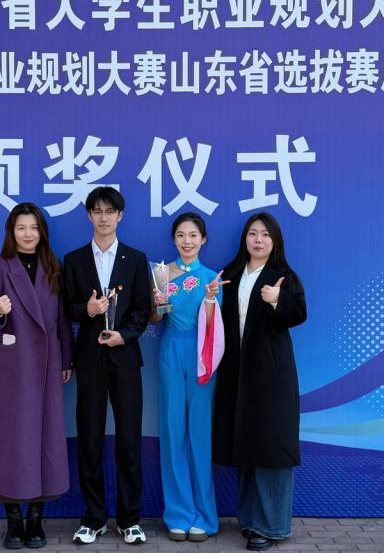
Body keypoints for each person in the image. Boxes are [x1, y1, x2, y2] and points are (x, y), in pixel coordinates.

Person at [0, 203, 74, 550]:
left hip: (46, 364)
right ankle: (13, 519)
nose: (28, 234)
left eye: (34, 227)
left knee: (44, 438)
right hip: (10, 368)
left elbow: (61, 320)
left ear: (42, 232)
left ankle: (36, 519)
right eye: (21, 228)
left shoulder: (53, 268)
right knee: (11, 441)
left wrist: (66, 358)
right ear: (11, 232)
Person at [212, 212, 308, 552]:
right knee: (246, 446)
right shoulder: (231, 273)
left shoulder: (284, 276)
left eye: (265, 234)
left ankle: (273, 526)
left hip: (271, 376)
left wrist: (276, 301)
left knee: (271, 448)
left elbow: (298, 314)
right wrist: (210, 298)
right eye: (252, 233)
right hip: (237, 375)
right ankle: (251, 520)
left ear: (275, 240)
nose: (258, 240)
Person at [62, 187, 151, 545]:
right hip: (89, 359)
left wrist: (124, 336)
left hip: (125, 358)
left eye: (110, 211)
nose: (103, 217)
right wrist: (87, 310)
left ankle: (129, 519)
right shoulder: (74, 260)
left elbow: (143, 309)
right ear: (89, 215)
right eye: (97, 211)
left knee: (129, 441)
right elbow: (66, 308)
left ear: (120, 216)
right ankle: (94, 518)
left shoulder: (136, 258)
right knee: (90, 440)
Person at [149, 212, 228, 542]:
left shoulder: (212, 278)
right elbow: (156, 319)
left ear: (203, 240)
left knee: (199, 432)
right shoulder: (161, 273)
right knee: (173, 432)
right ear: (173, 239)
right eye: (181, 235)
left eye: (193, 235)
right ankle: (178, 514)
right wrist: (158, 303)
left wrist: (210, 298)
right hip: (170, 350)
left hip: (201, 354)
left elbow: (213, 327)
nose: (187, 241)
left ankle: (204, 517)